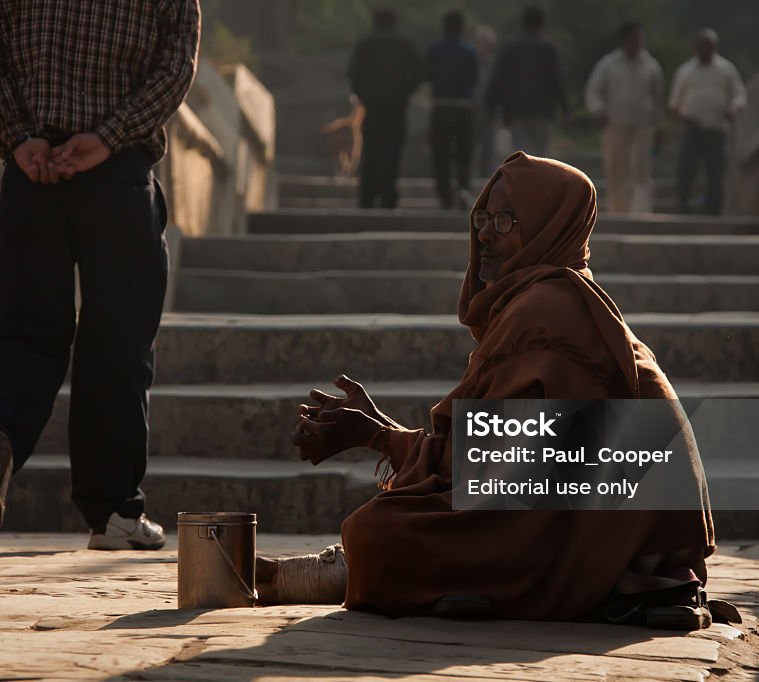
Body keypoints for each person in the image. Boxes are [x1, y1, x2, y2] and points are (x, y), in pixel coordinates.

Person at [274, 153, 723, 629]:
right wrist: (379, 431)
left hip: (616, 538)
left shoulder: (546, 310)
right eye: (483, 217)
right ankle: (480, 585)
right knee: (397, 525)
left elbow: (478, 467)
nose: (486, 234)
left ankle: (508, 587)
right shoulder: (558, 298)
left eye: (506, 220)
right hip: (607, 521)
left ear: (551, 227)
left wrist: (377, 437)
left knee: (374, 532)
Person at [0, 0, 201, 550]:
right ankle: (113, 510)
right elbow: (174, 68)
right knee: (116, 343)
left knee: (25, 330)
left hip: (32, 178)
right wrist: (111, 136)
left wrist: (20, 137)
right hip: (116, 182)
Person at [347, 9, 424, 209]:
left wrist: (364, 96)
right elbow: (419, 73)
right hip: (396, 108)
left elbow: (353, 75)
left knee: (370, 152)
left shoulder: (366, 45)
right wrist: (404, 93)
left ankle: (367, 197)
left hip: (371, 108)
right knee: (392, 152)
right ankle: (388, 196)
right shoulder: (404, 45)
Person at [585, 22, 664, 213]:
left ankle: (641, 212)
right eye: (634, 39)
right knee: (615, 168)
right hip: (615, 123)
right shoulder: (608, 64)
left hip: (643, 124)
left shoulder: (651, 66)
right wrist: (598, 109)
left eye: (640, 40)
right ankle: (618, 210)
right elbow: (593, 91)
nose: (638, 43)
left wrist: (660, 126)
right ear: (624, 40)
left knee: (641, 167)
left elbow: (658, 98)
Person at [669, 29, 747, 215]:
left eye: (710, 46)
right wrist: (682, 115)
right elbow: (674, 101)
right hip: (693, 129)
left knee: (716, 173)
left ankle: (713, 210)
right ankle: (683, 205)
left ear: (715, 47)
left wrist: (733, 108)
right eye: (703, 46)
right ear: (696, 47)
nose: (706, 50)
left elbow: (739, 95)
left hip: (717, 129)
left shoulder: (726, 69)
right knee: (686, 169)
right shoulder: (685, 71)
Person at [486, 5, 569, 158]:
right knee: (542, 156)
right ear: (542, 23)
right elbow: (558, 79)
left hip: (516, 110)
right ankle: (540, 182)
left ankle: (523, 182)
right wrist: (565, 109)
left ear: (522, 23)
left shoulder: (510, 47)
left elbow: (498, 79)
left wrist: (491, 109)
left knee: (520, 156)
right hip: (544, 110)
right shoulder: (549, 47)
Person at [425, 10, 479, 210]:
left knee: (441, 152)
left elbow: (428, 75)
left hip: (441, 106)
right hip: (463, 107)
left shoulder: (434, 49)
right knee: (464, 151)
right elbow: (474, 78)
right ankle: (463, 188)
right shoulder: (469, 51)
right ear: (462, 28)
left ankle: (444, 195)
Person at [472, 25, 499, 177]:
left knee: (489, 146)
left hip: (490, 109)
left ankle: (487, 177)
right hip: (473, 107)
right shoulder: (471, 61)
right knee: (473, 145)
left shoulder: (494, 64)